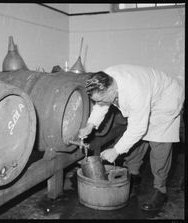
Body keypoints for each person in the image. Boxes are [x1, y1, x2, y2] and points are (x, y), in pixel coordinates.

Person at [78, 64, 184, 211]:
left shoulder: (135, 91)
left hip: (165, 98)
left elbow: (138, 128)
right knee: (137, 137)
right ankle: (133, 173)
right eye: (97, 100)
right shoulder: (104, 79)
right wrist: (90, 125)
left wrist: (116, 150)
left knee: (158, 142)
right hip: (147, 94)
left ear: (111, 89)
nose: (100, 104)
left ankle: (160, 190)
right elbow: (101, 105)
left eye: (102, 100)